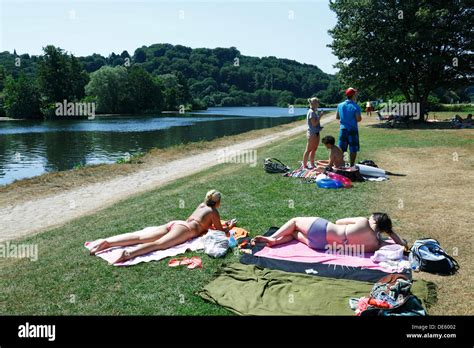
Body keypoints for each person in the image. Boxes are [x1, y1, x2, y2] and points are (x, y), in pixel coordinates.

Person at [89, 190, 236, 264]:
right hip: (186, 230)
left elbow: (196, 220)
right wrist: (229, 226)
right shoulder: (213, 211)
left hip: (177, 224)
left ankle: (107, 242)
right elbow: (219, 230)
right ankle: (127, 254)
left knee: (140, 237)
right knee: (157, 245)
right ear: (218, 202)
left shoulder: (202, 205)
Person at [251, 213, 407, 253]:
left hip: (321, 230)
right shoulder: (376, 245)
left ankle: (271, 238)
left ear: (375, 220)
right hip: (319, 245)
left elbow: (339, 221)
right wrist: (390, 231)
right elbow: (400, 244)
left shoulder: (363, 221)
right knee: (293, 235)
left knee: (295, 221)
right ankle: (276, 242)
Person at [336, 87, 362, 167]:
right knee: (353, 149)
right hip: (352, 130)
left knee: (343, 149)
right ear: (353, 95)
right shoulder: (355, 106)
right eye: (355, 94)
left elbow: (337, 117)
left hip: (343, 129)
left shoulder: (340, 105)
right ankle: (351, 165)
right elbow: (358, 119)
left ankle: (344, 164)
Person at [302, 97, 323, 169]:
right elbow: (314, 124)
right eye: (316, 102)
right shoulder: (311, 112)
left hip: (316, 132)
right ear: (312, 103)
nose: (318, 104)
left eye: (318, 102)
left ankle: (312, 163)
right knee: (308, 149)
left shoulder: (314, 111)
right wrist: (320, 116)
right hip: (312, 134)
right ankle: (304, 165)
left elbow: (315, 124)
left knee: (314, 149)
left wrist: (319, 127)